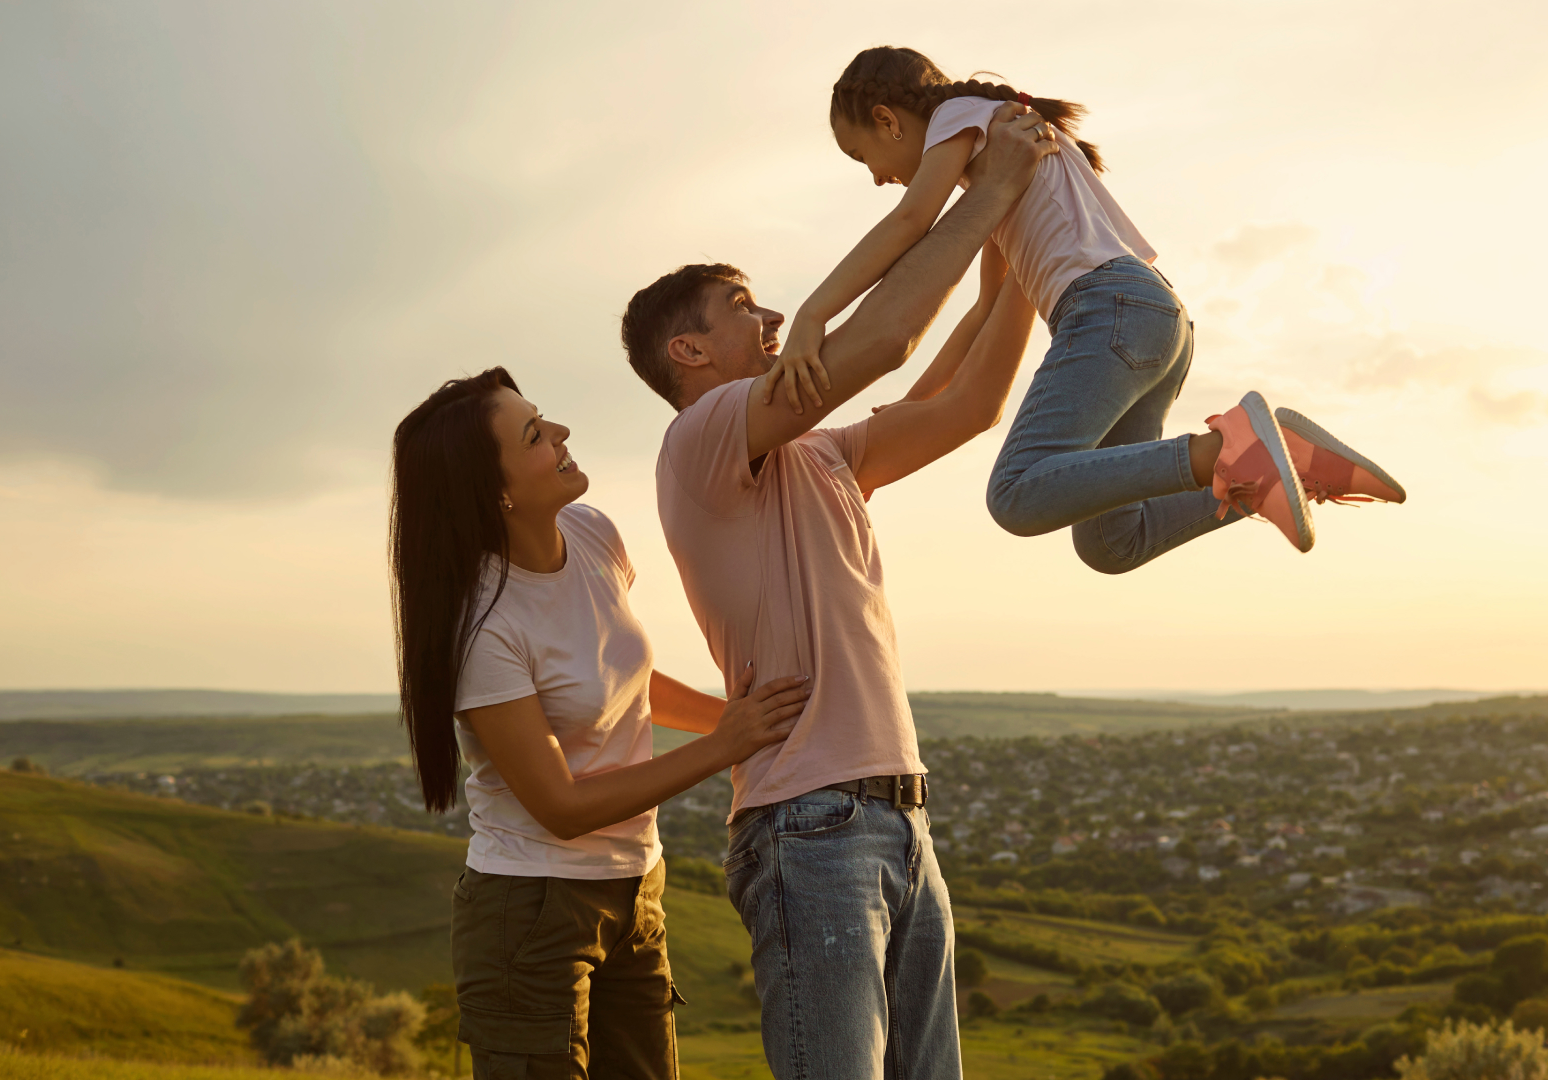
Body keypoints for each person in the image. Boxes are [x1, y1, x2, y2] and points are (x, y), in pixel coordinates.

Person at [619, 104, 1055, 1079]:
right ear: (688, 353)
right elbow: (885, 340)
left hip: (901, 823)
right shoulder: (703, 439)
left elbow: (969, 402)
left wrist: (1015, 245)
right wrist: (986, 192)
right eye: (741, 305)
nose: (772, 316)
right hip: (808, 826)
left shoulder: (820, 454)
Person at [760, 45, 1407, 571]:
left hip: (1110, 312)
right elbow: (984, 308)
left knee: (1016, 493)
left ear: (887, 119)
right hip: (1158, 325)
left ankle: (1226, 452)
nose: (875, 176)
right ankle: (1279, 461)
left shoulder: (966, 113)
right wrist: (912, 409)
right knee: (1112, 545)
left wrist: (813, 317)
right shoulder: (1000, 164)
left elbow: (910, 222)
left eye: (861, 155)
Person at [389, 367, 813, 1080]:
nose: (560, 434)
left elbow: (624, 680)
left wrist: (737, 718)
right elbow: (562, 808)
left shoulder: (592, 536)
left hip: (637, 887)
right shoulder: (487, 630)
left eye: (544, 419)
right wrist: (723, 745)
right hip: (532, 912)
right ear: (495, 492)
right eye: (534, 435)